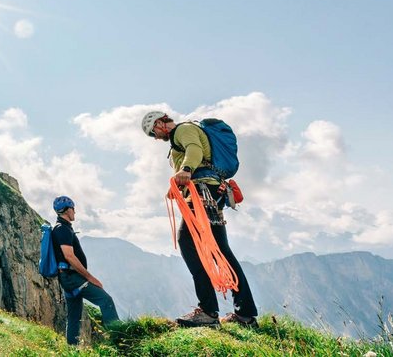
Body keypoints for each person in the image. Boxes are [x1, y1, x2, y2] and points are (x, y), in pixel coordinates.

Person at [141, 111, 259, 328]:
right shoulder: (184, 133)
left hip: (202, 192)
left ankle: (208, 311)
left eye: (153, 133)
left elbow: (194, 150)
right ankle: (246, 315)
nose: (155, 138)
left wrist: (186, 169)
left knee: (187, 243)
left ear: (159, 123)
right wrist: (178, 183)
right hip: (212, 193)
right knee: (222, 252)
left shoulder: (182, 130)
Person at [50, 195, 120, 345]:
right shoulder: (62, 229)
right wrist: (90, 277)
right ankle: (119, 339)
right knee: (105, 300)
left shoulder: (62, 228)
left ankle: (72, 350)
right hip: (73, 278)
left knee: (74, 316)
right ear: (68, 209)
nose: (75, 212)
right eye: (73, 209)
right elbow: (69, 256)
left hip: (67, 278)